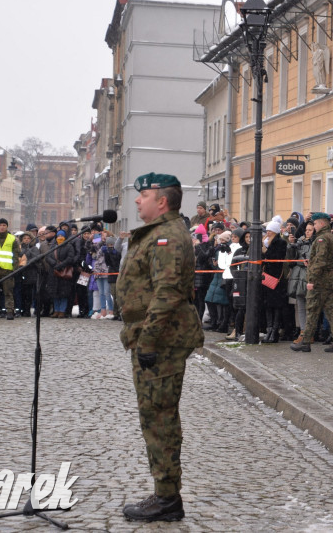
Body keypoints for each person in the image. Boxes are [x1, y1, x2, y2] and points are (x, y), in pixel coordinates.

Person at [116, 172, 203, 523]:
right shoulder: (159, 233)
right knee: (155, 416)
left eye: (144, 195)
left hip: (162, 341)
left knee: (160, 418)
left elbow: (167, 293)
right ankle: (165, 494)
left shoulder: (167, 236)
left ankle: (167, 499)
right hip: (154, 338)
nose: (138, 200)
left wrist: (148, 339)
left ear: (162, 201)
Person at [291, 212, 333, 353]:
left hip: (320, 280)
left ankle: (306, 341)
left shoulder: (322, 239)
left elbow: (321, 260)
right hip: (331, 279)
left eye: (315, 224)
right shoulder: (332, 238)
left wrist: (312, 279)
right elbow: (327, 259)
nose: (313, 226)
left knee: (312, 310)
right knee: (331, 310)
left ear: (321, 224)